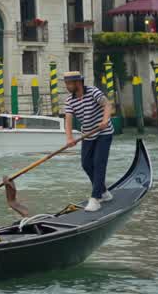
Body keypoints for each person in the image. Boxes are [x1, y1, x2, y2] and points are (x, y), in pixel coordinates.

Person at [63, 70, 114, 212]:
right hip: (88, 134)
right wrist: (69, 138)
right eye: (66, 83)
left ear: (78, 83)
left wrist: (105, 120)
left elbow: (107, 105)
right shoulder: (69, 100)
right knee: (86, 164)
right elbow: (68, 120)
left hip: (104, 132)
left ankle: (95, 198)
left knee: (99, 163)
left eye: (69, 83)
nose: (67, 86)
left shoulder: (93, 92)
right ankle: (103, 191)